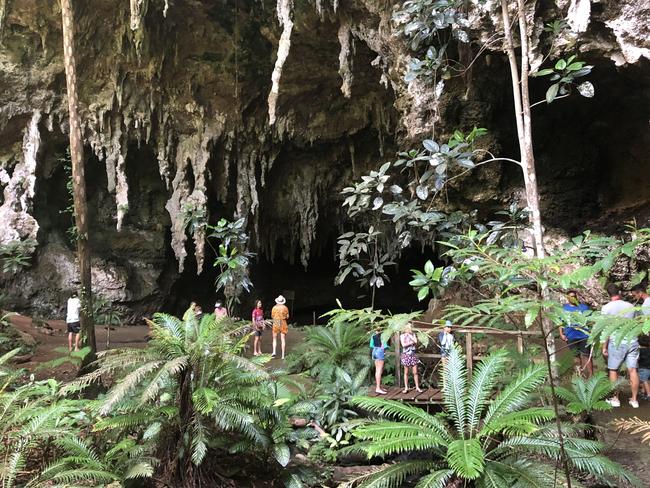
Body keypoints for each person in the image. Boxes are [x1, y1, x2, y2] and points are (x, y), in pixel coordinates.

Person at [601, 284, 639, 408]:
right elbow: (636, 324)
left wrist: (604, 347)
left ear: (608, 294)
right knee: (633, 370)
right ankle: (634, 400)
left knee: (613, 370)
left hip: (616, 343)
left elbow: (606, 329)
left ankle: (615, 399)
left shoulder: (606, 308)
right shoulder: (630, 306)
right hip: (632, 341)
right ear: (620, 292)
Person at [560, 290, 593, 377]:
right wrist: (561, 334)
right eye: (570, 296)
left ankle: (591, 376)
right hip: (571, 335)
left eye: (574, 296)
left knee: (586, 355)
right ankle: (579, 375)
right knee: (576, 356)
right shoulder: (564, 309)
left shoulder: (584, 308)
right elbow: (560, 322)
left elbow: (590, 321)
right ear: (567, 298)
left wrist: (591, 332)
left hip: (584, 335)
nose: (572, 298)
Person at [400, 324, 422, 393]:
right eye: (408, 329)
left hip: (413, 354)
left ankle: (417, 387)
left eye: (410, 329)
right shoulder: (402, 336)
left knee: (415, 372)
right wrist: (410, 343)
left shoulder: (413, 335)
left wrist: (410, 336)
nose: (409, 330)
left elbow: (415, 341)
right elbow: (403, 345)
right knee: (406, 372)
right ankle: (406, 387)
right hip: (406, 355)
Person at [370, 329, 389, 394]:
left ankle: (379, 387)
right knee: (379, 370)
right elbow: (385, 346)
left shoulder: (373, 335)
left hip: (374, 351)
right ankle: (378, 388)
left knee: (378, 370)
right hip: (380, 351)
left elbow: (371, 345)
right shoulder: (383, 336)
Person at [638, 335, 650, 401]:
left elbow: (637, 359)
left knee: (644, 381)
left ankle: (648, 395)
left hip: (643, 368)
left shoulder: (640, 351)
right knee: (647, 381)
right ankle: (643, 392)